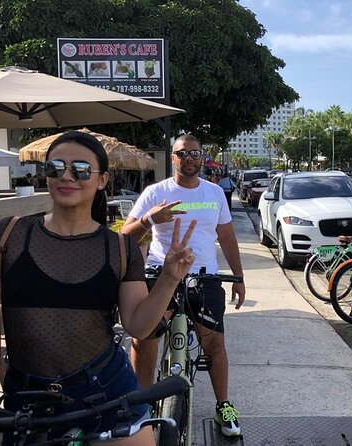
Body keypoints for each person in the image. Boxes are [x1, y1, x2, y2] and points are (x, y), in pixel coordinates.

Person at [0, 131, 196, 446]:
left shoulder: (120, 248)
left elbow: (138, 324)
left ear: (102, 180)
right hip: (28, 398)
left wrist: (168, 278)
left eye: (81, 170)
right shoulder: (9, 235)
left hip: (106, 390)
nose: (66, 176)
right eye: (56, 168)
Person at [121, 134, 245, 438]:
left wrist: (239, 278)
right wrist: (150, 219)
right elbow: (125, 235)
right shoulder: (155, 192)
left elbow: (227, 238)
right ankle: (144, 404)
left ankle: (223, 405)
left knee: (214, 344)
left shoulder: (214, 193)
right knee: (145, 338)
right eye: (182, 153)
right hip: (160, 274)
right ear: (173, 158)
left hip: (205, 277)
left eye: (194, 153)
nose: (189, 158)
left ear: (201, 158)